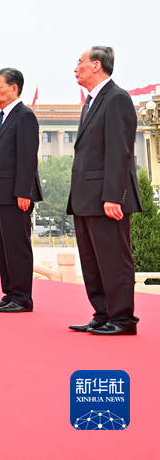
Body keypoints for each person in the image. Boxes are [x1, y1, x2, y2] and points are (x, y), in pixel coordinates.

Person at [68, 46, 142, 335]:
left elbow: (119, 151)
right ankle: (102, 314)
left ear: (96, 65)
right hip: (86, 197)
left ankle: (123, 319)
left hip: (107, 198)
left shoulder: (117, 99)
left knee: (113, 259)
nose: (76, 68)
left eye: (80, 63)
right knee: (92, 261)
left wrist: (114, 196)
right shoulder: (91, 102)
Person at [0, 68, 42, 313]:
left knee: (17, 246)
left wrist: (23, 193)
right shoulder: (1, 118)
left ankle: (22, 297)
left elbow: (27, 158)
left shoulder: (24, 116)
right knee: (3, 247)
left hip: (15, 195)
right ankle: (9, 293)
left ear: (14, 87)